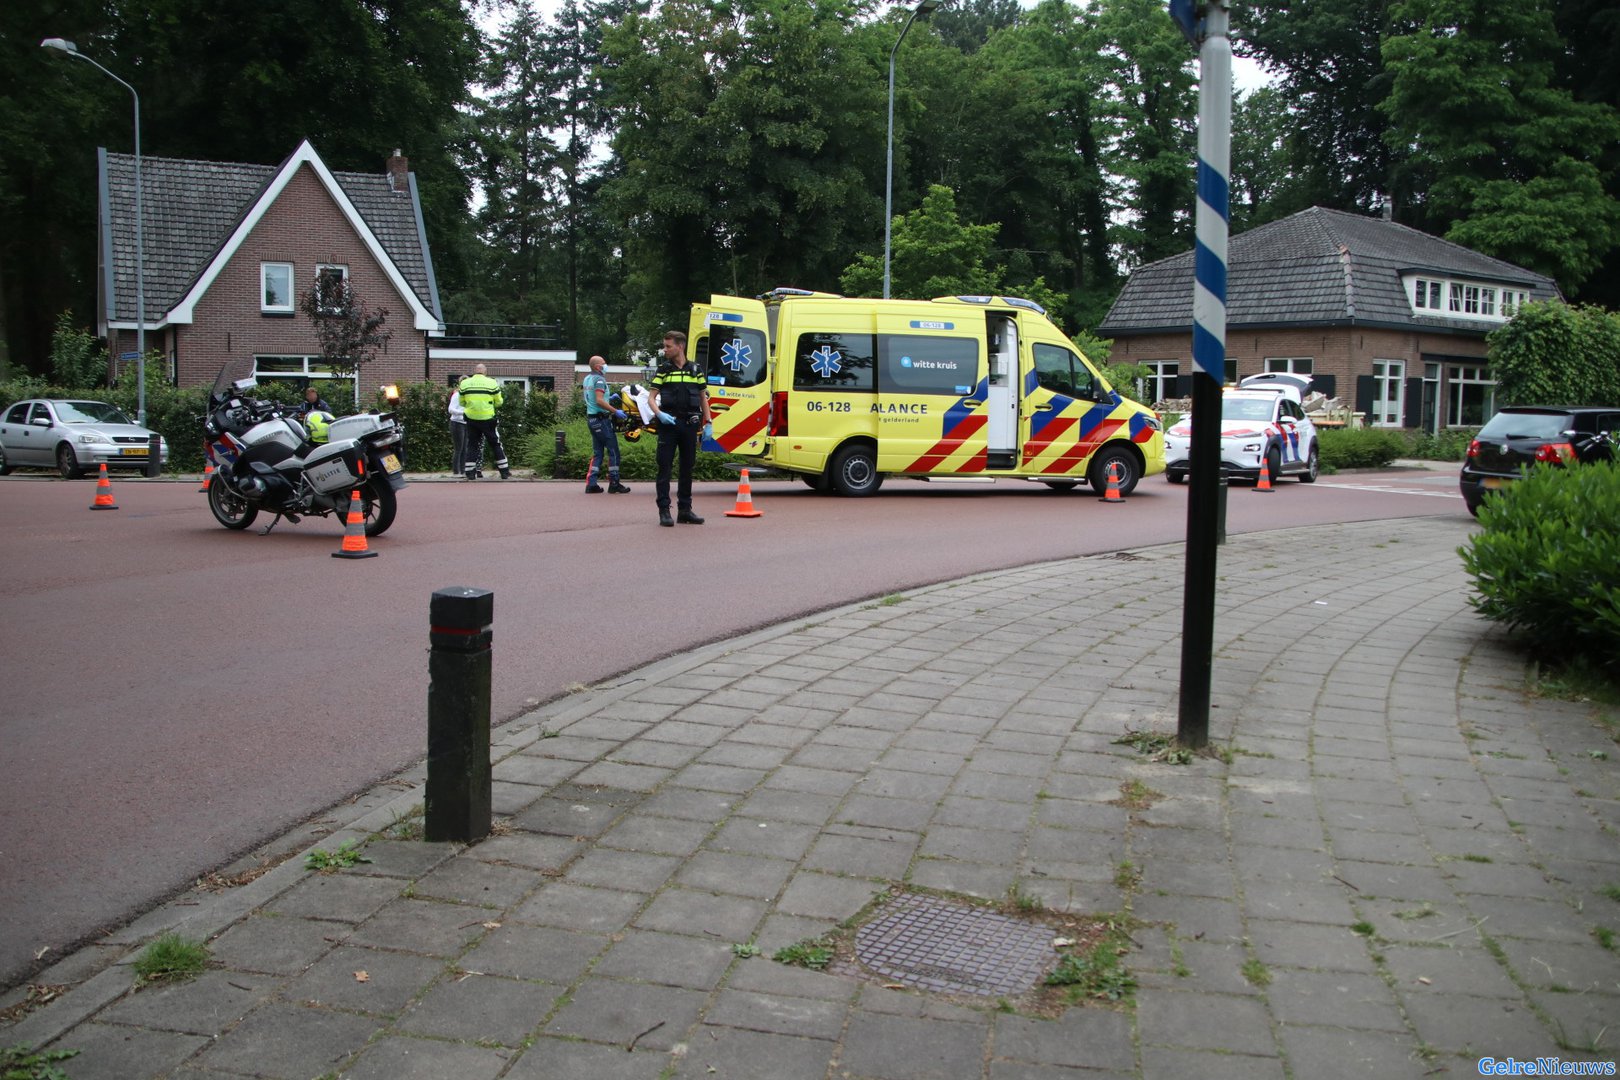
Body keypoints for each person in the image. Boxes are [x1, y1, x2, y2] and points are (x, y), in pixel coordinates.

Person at [647, 329, 712, 526]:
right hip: (669, 424)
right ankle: (664, 511)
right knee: (664, 466)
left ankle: (685, 510)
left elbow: (703, 397)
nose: (664, 349)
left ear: (680, 346)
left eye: (668, 346)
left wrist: (708, 422)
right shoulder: (664, 370)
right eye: (664, 346)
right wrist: (659, 414)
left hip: (689, 425)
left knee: (687, 467)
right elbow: (651, 398)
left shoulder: (696, 370)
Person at [582, 355, 631, 494]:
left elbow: (590, 399)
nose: (605, 365)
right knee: (613, 451)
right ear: (598, 367)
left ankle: (591, 484)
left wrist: (608, 398)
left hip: (592, 420)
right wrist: (616, 411)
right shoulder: (599, 379)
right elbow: (598, 400)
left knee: (598, 453)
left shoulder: (587, 379)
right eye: (604, 363)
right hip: (601, 420)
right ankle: (614, 483)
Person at [458, 364, 511, 480]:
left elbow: (461, 402)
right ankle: (504, 472)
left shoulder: (465, 383)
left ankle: (470, 473)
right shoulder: (491, 383)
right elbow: (499, 402)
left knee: (472, 444)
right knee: (495, 444)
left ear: (475, 372)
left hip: (471, 418)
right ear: (485, 372)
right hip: (488, 418)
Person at [446, 379, 472, 478]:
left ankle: (463, 470)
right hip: (457, 423)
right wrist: (463, 413)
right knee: (458, 448)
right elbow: (451, 409)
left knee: (465, 448)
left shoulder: (468, 396)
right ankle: (456, 472)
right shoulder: (457, 395)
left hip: (466, 423)